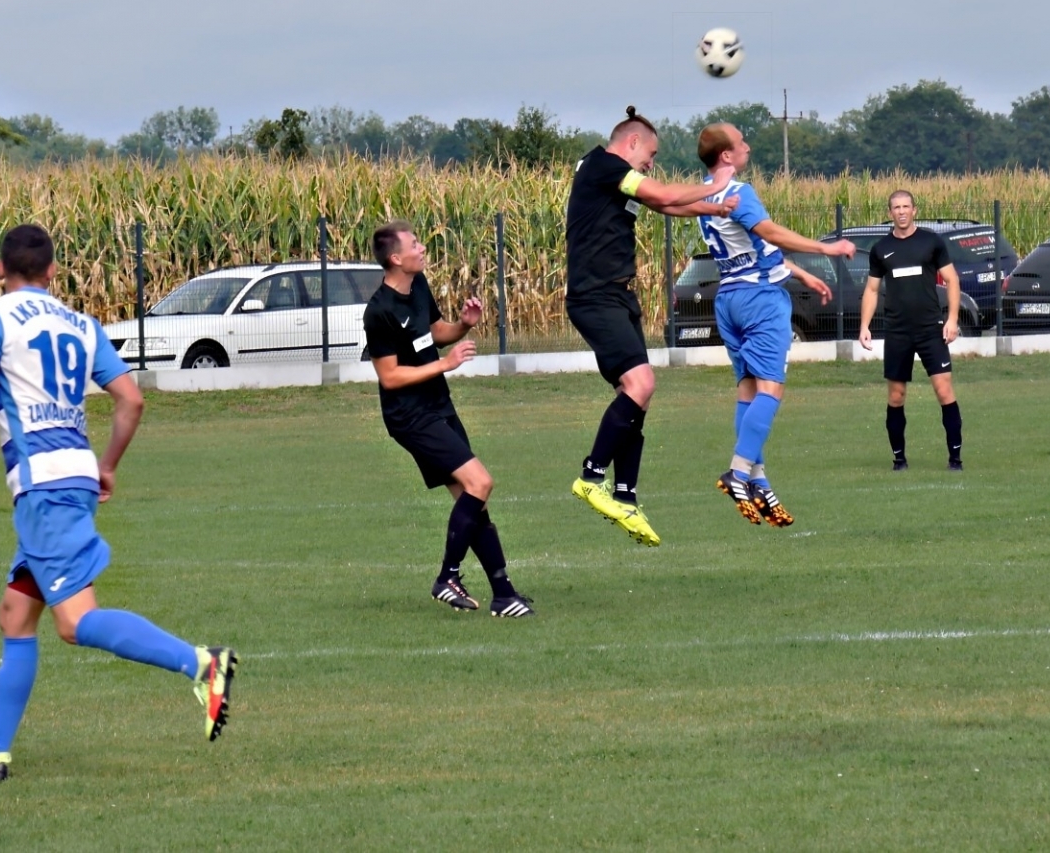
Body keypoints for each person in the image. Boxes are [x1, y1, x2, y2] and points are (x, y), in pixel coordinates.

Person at [0, 224, 237, 784]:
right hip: (70, 476)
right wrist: (109, 464)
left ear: (0, 270)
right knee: (15, 615)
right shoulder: (81, 323)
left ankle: (202, 663)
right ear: (51, 271)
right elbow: (130, 399)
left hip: (43, 488)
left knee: (75, 622)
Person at [564, 105, 737, 546]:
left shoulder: (612, 176)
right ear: (632, 142)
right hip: (596, 297)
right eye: (651, 154)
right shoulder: (605, 165)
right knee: (640, 384)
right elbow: (660, 194)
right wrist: (716, 186)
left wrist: (711, 207)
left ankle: (625, 495)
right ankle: (591, 477)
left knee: (636, 398)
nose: (651, 163)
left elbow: (663, 206)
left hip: (618, 297)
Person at [364, 221, 532, 616]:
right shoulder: (379, 311)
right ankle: (447, 577)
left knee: (473, 501)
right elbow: (389, 376)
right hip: (410, 416)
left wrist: (463, 326)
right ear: (395, 258)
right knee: (481, 482)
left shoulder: (417, 286)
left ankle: (504, 594)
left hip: (438, 406)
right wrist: (445, 365)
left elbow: (435, 331)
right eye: (414, 244)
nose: (422, 247)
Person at [693, 122, 855, 526]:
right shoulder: (739, 193)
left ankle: (758, 479)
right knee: (772, 388)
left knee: (748, 388)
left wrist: (801, 274)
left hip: (728, 299)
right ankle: (738, 471)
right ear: (727, 156)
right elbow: (769, 232)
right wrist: (826, 248)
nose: (747, 146)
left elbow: (754, 248)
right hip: (760, 301)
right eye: (740, 142)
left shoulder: (705, 193)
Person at [857, 191, 964, 471]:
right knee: (896, 396)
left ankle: (955, 459)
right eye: (896, 207)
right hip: (897, 332)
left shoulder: (932, 242)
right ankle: (899, 459)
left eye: (906, 206)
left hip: (931, 330)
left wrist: (952, 319)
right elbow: (871, 289)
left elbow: (952, 280)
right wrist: (864, 326)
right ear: (890, 212)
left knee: (944, 391)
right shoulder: (881, 249)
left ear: (914, 210)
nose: (901, 211)